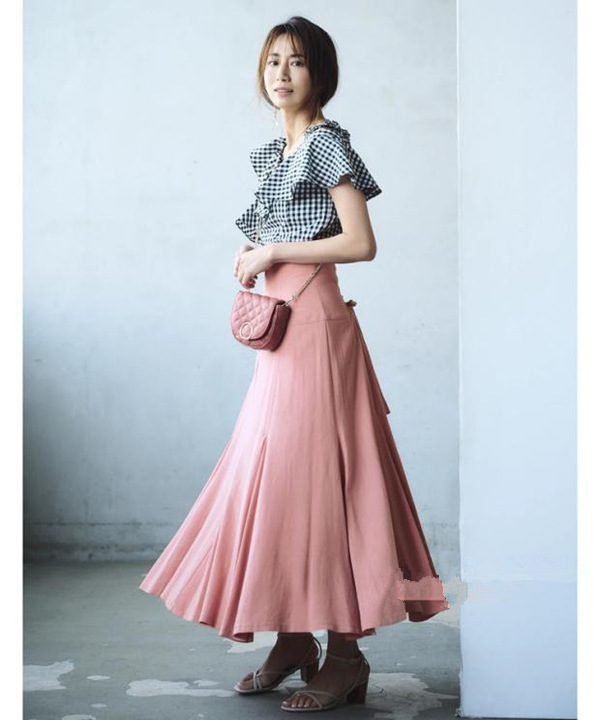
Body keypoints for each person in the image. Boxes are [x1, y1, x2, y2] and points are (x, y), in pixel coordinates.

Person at [139, 15, 449, 714]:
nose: (281, 73)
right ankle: (291, 640)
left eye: (298, 61)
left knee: (326, 482)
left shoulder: (327, 144)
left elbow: (361, 242)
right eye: (273, 60)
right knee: (282, 481)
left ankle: (345, 655)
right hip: (281, 334)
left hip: (316, 330)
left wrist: (275, 251)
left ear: (321, 75)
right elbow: (282, 233)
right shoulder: (278, 154)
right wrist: (254, 255)